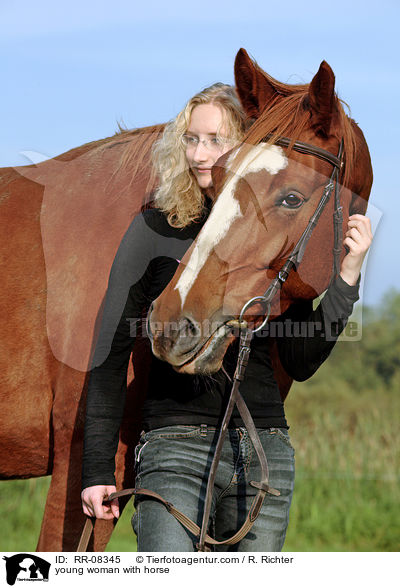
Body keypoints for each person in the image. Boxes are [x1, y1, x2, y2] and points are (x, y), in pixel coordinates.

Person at [81, 83, 372, 552]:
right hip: (174, 446)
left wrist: (346, 280)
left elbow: (300, 359)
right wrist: (96, 471)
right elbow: (110, 352)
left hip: (262, 450)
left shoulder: (274, 230)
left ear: (247, 145)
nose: (200, 154)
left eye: (216, 141)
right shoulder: (156, 226)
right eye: (192, 139)